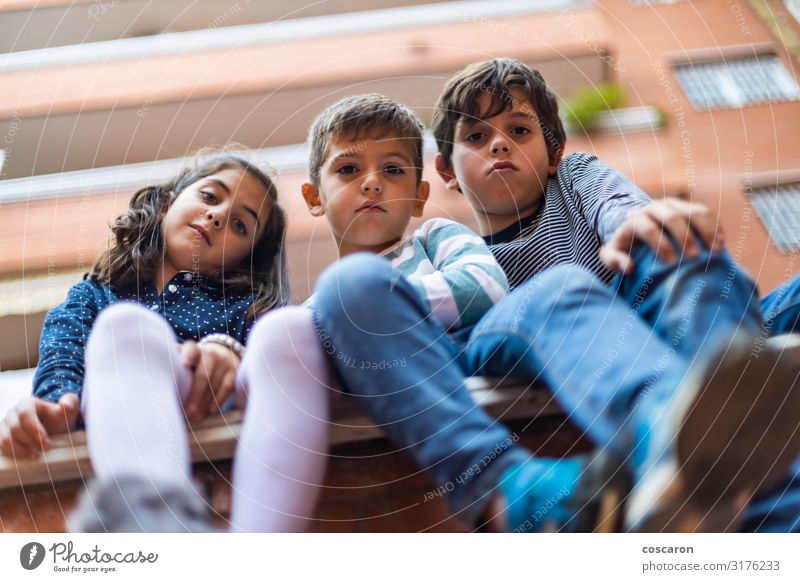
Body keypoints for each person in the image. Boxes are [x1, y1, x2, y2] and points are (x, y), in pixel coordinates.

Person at [312, 59, 800, 532]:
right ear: (446, 170)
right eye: (477, 137)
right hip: (538, 344)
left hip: (677, 328)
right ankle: (693, 441)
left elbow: (619, 208)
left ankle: (721, 406)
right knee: (559, 288)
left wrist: (641, 220)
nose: (499, 145)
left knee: (672, 241)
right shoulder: (456, 255)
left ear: (555, 149)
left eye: (519, 131)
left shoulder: (576, 181)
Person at [0, 153, 327, 532]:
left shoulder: (249, 313)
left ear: (244, 259)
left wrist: (228, 350)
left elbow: (281, 368)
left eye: (240, 225)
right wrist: (52, 408)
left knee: (292, 327)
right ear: (168, 202)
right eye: (209, 196)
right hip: (123, 386)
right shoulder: (92, 298)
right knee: (125, 326)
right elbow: (62, 364)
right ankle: (157, 531)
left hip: (221, 401)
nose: (218, 216)